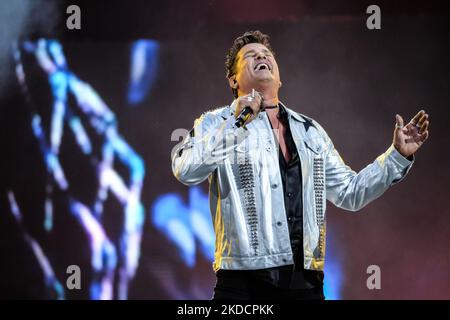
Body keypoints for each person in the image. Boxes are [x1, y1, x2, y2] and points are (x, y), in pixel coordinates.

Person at [171, 30, 430, 300]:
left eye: (266, 54)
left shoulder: (310, 131)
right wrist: (237, 123)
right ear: (233, 79)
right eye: (250, 55)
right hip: (243, 283)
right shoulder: (216, 122)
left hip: (306, 283)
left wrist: (396, 156)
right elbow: (186, 170)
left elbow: (349, 193)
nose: (261, 56)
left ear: (279, 78)